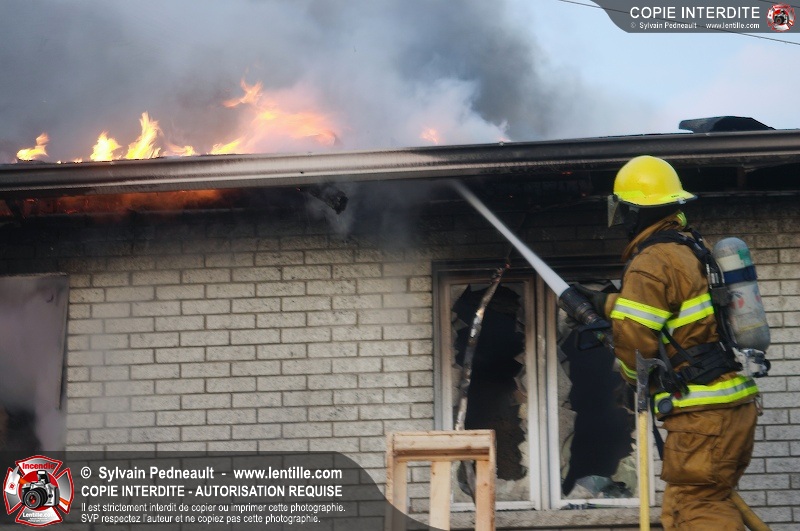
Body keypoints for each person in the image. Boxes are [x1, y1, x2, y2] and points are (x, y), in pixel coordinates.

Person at [575, 155, 759, 530]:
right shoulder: (688, 249)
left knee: (698, 508)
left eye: (624, 209)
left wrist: (631, 380)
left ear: (634, 211)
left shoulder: (652, 261)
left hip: (702, 415)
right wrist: (605, 303)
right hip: (730, 405)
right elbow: (673, 315)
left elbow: (635, 340)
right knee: (686, 507)